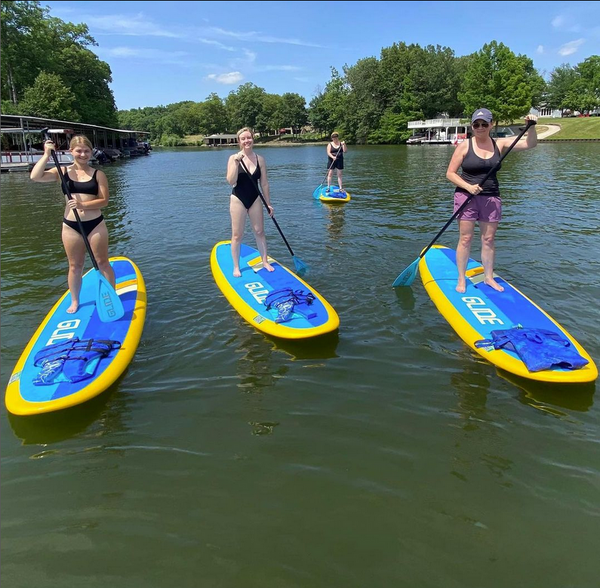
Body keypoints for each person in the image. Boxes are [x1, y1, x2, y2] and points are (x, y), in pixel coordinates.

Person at [446, 108, 538, 293]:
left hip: (491, 197)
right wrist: (468, 187)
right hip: (467, 196)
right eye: (476, 124)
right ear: (472, 126)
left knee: (488, 239)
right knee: (466, 238)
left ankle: (489, 278)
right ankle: (461, 279)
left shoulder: (500, 143)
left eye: (484, 124)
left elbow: (530, 144)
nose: (480, 127)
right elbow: (450, 173)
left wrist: (531, 127)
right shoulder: (465, 146)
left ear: (491, 125)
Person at [30, 135, 116, 314]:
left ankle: (111, 295)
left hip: (95, 224)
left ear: (91, 152)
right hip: (71, 226)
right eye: (79, 151)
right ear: (71, 152)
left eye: (86, 151)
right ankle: (75, 301)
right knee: (75, 266)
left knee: (102, 262)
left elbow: (104, 200)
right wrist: (47, 154)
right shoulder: (61, 172)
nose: (83, 154)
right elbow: (35, 177)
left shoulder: (98, 174)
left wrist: (82, 205)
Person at [226, 127, 274, 278]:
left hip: (255, 199)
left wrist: (268, 203)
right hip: (238, 199)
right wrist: (236, 163)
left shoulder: (260, 159)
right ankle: (236, 266)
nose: (247, 141)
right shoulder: (233, 158)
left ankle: (264, 261)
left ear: (253, 138)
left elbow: (264, 183)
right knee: (237, 235)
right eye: (243, 139)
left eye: (249, 138)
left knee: (259, 231)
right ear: (239, 141)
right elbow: (230, 181)